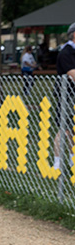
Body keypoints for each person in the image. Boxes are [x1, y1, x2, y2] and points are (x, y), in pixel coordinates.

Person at [54, 22, 75, 171]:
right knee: (64, 130)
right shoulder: (66, 53)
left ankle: (72, 161)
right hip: (67, 97)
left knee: (73, 131)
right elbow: (73, 75)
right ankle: (57, 164)